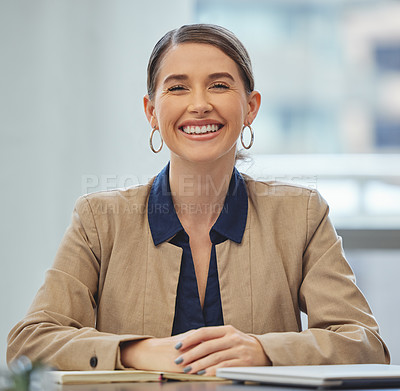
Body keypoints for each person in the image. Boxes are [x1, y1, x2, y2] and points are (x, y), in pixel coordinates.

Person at [7, 24, 389, 375]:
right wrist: (136, 351)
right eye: (177, 87)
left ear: (251, 107)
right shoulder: (100, 218)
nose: (200, 104)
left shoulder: (301, 214)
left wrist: (262, 350)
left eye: (219, 85)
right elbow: (30, 342)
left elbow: (365, 344)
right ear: (152, 111)